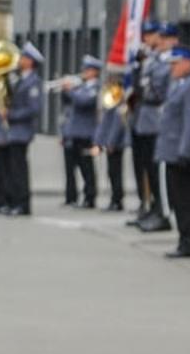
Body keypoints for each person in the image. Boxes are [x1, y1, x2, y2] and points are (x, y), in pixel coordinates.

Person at [156, 46, 190, 259]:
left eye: (175, 63)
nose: (171, 68)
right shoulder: (179, 84)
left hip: (183, 153)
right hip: (172, 149)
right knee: (178, 199)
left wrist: (185, 151)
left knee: (186, 201)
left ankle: (189, 242)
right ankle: (183, 239)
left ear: (188, 63)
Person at [0, 44, 45, 216]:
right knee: (11, 169)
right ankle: (12, 201)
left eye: (23, 58)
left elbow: (34, 109)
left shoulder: (34, 82)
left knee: (19, 170)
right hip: (12, 132)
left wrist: (10, 114)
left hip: (21, 131)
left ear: (30, 62)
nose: (20, 60)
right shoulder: (20, 79)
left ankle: (23, 204)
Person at [131, 23, 176, 232]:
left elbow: (162, 92)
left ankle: (162, 211)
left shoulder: (172, 62)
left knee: (158, 171)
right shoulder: (153, 59)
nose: (159, 41)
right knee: (146, 167)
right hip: (145, 118)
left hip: (157, 119)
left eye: (164, 38)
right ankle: (151, 207)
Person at [60, 57, 102, 209]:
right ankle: (70, 197)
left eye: (88, 70)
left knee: (87, 168)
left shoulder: (95, 88)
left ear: (95, 72)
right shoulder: (81, 87)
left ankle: (89, 197)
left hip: (86, 134)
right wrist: (65, 90)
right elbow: (68, 104)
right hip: (72, 133)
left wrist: (70, 90)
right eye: (84, 69)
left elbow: (84, 102)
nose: (85, 72)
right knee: (70, 167)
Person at [91, 67, 128, 212]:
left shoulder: (118, 95)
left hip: (116, 142)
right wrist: (99, 140)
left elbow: (118, 121)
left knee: (115, 171)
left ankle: (117, 200)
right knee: (111, 171)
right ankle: (114, 198)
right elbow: (104, 120)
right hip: (109, 140)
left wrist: (111, 141)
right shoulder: (112, 95)